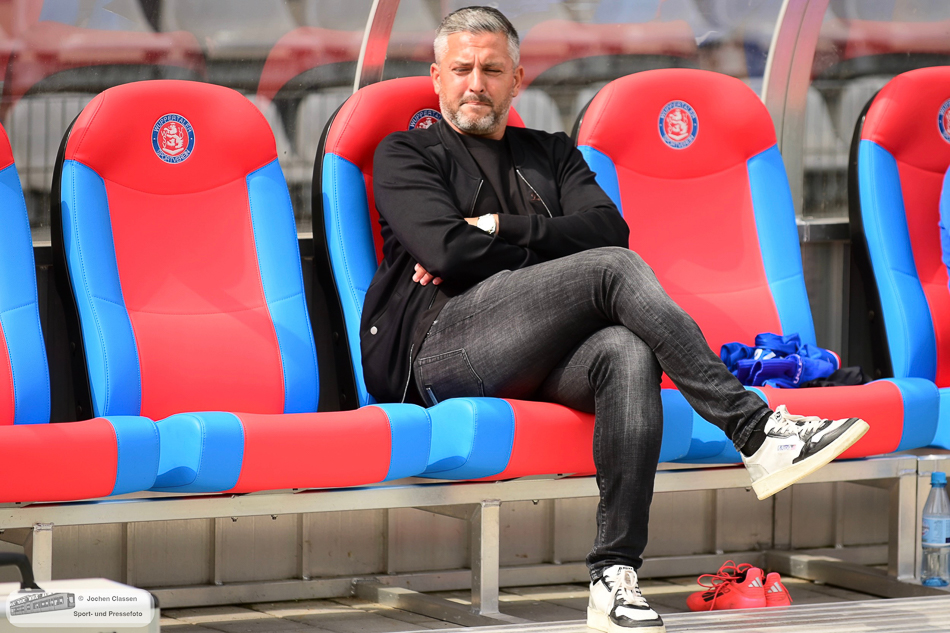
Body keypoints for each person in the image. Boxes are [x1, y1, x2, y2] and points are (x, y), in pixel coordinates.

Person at [360, 7, 869, 632]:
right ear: (437, 77)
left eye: (491, 70)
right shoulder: (406, 153)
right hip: (443, 351)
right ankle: (756, 431)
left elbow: (608, 228)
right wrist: (547, 248)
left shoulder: (550, 153)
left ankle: (614, 574)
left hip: (536, 352)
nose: (476, 84)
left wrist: (497, 228)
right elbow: (445, 251)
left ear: (517, 79)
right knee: (611, 271)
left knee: (629, 350)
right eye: (461, 69)